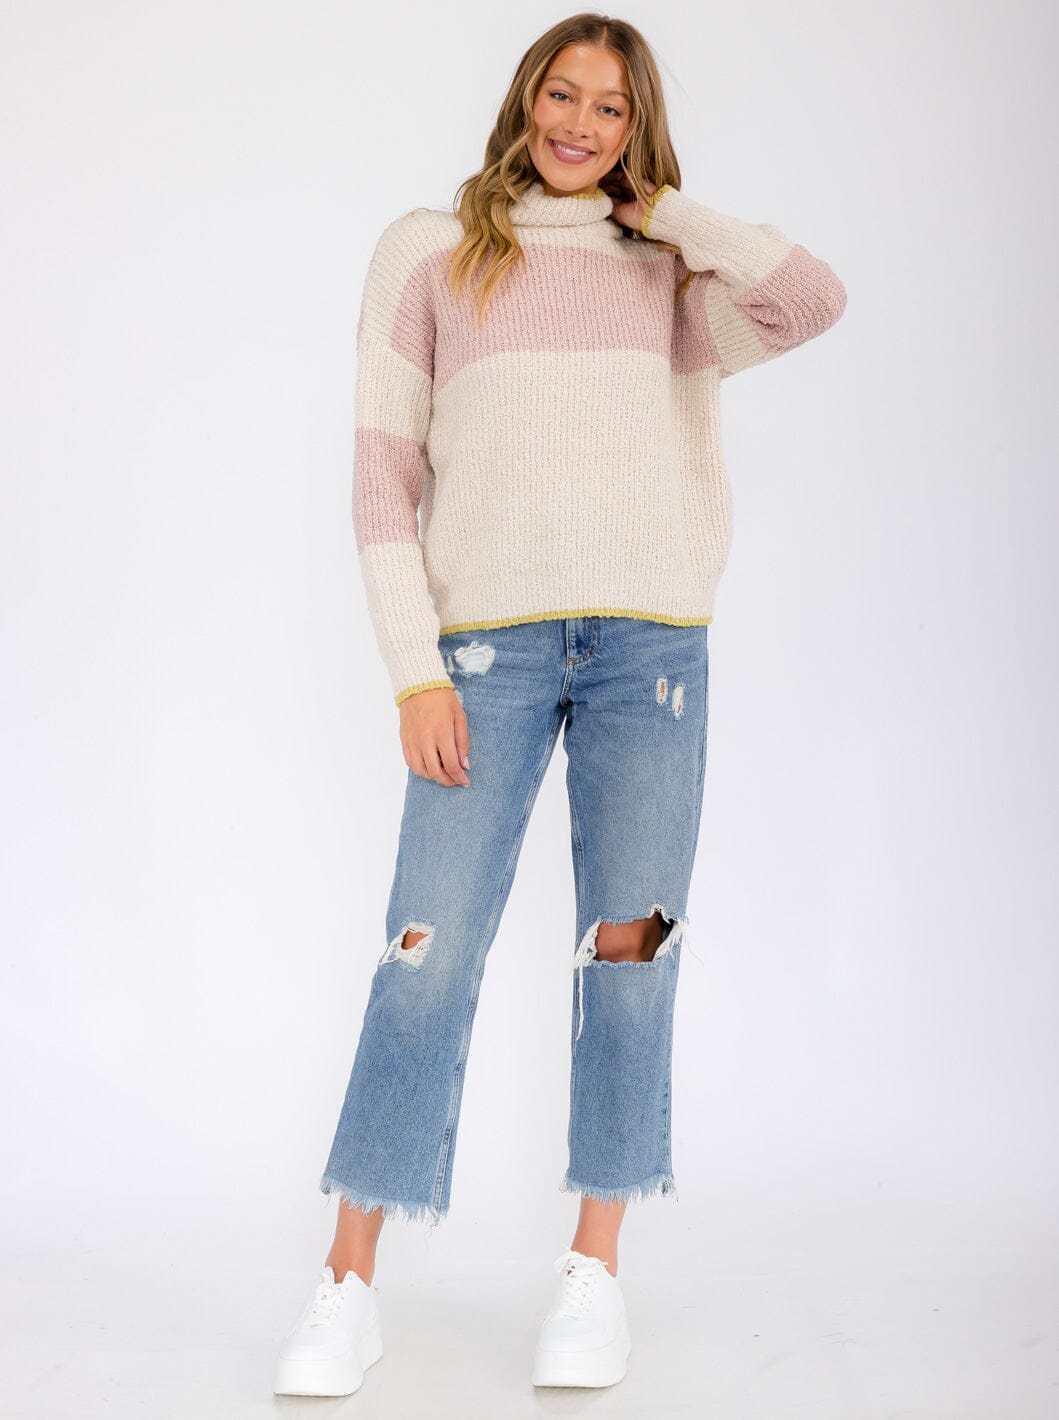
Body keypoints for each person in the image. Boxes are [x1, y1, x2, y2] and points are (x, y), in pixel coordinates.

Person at [273, 10, 846, 1399]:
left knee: (630, 954)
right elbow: (382, 479)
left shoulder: (672, 276)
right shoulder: (429, 251)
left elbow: (812, 297)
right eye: (562, 94)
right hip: (486, 657)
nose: (580, 123)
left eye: (611, 106)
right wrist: (415, 668)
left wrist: (670, 210)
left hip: (653, 652)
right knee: (426, 951)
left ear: (637, 130)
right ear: (524, 99)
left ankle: (594, 1272)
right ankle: (348, 1282)